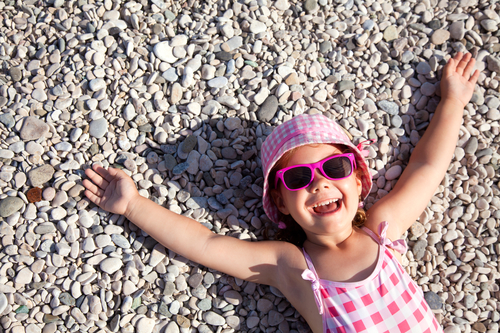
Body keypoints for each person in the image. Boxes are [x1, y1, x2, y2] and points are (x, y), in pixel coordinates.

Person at [83, 52, 479, 332]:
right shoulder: (292, 266)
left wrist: (453, 101)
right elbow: (206, 244)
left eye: (334, 168)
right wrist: (133, 205)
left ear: (358, 179)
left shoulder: (382, 231)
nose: (320, 183)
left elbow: (426, 168)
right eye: (298, 179)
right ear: (281, 203)